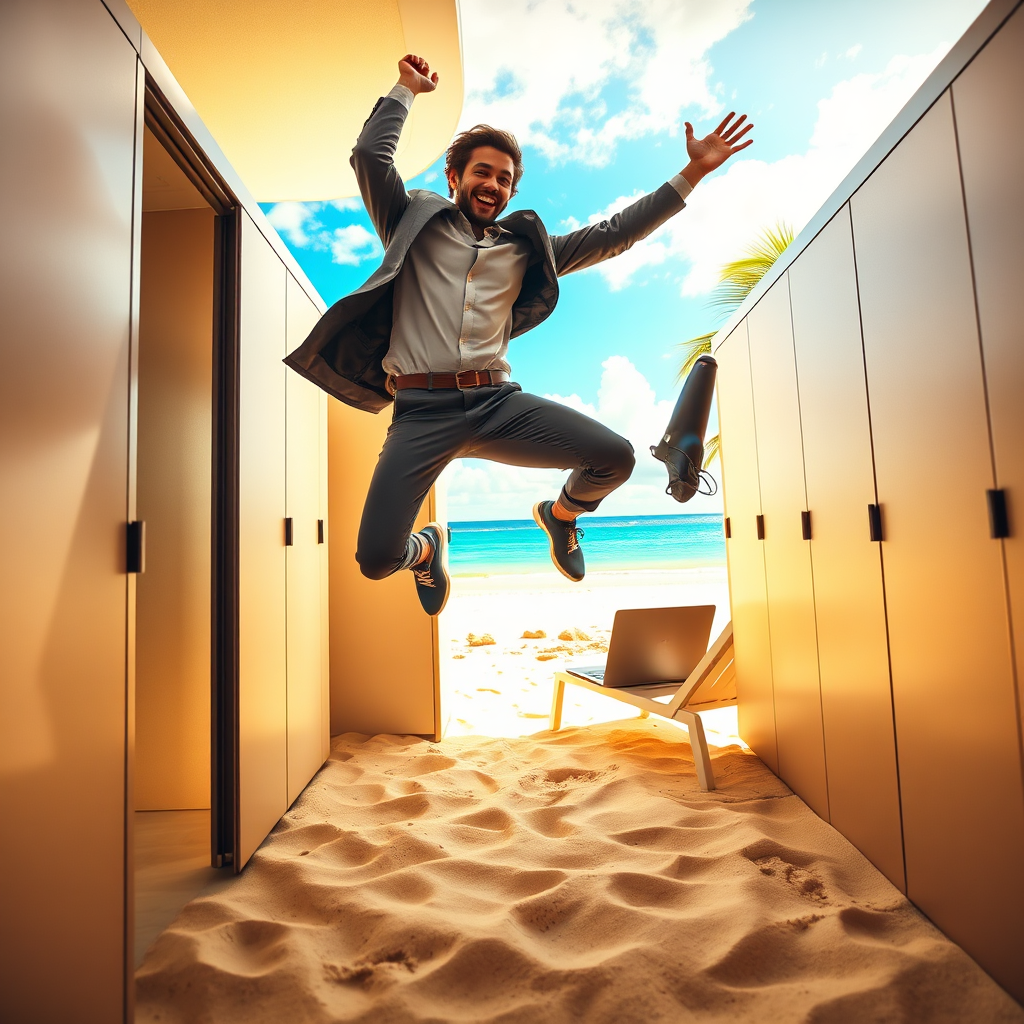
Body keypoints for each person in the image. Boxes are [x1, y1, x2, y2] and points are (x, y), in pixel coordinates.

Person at [284, 54, 753, 616]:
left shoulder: (528, 251)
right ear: (455, 178)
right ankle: (428, 547)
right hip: (419, 413)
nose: (493, 184)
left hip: (495, 404)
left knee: (616, 458)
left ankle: (560, 517)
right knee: (377, 557)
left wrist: (693, 173)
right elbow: (369, 156)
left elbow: (616, 234)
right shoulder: (411, 222)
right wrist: (406, 90)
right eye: (482, 172)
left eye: (504, 179)